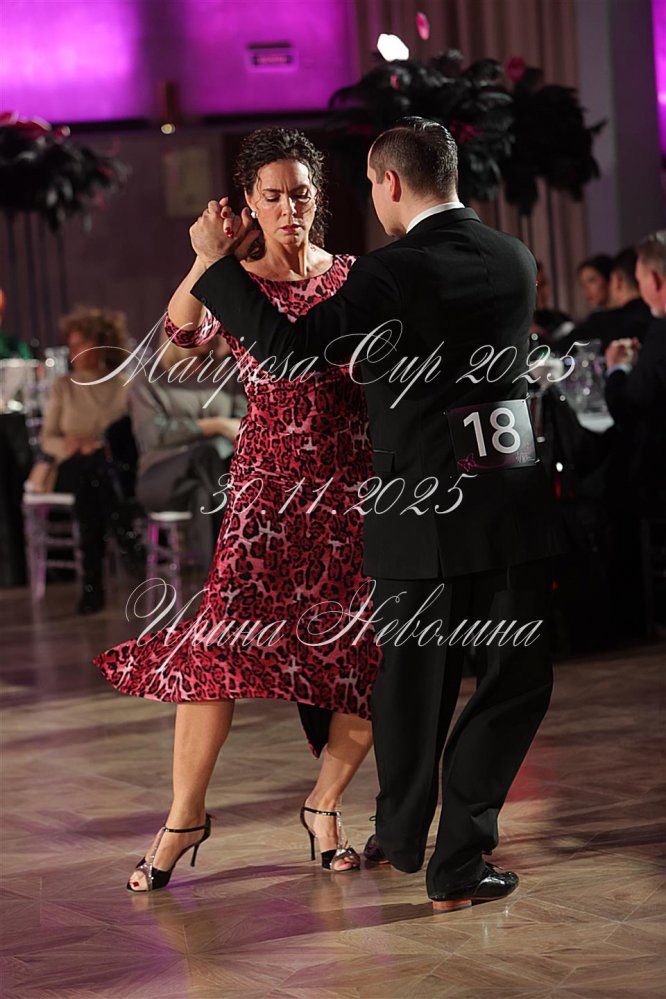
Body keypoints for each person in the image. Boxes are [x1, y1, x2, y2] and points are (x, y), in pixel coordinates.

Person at [189, 117, 564, 913]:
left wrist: (217, 265)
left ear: (390, 182)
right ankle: (456, 857)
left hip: (417, 511)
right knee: (514, 681)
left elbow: (290, 354)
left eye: (368, 185)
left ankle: (401, 834)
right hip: (509, 502)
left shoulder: (390, 271)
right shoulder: (516, 257)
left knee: (412, 686)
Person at [93, 128, 380, 891]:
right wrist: (205, 258)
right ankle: (184, 816)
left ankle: (325, 806)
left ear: (318, 197)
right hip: (265, 494)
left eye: (301, 193)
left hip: (350, 491)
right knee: (217, 650)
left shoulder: (354, 277)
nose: (290, 208)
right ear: (250, 201)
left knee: (363, 656)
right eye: (273, 195)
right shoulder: (237, 282)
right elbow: (179, 341)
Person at [39, 306, 144, 614]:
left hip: (108, 467)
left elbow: (130, 436)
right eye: (71, 345)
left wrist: (99, 445)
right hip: (69, 464)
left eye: (80, 344)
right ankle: (126, 539)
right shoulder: (64, 386)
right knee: (90, 473)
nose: (74, 352)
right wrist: (71, 445)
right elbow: (48, 438)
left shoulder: (124, 384)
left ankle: (92, 586)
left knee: (95, 476)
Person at [129, 324, 246, 564]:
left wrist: (226, 430)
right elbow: (153, 435)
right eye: (203, 329)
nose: (211, 335)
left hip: (212, 476)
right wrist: (215, 425)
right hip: (161, 477)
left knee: (204, 496)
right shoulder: (149, 379)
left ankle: (220, 579)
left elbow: (244, 426)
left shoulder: (226, 374)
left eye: (213, 329)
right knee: (205, 455)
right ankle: (241, 558)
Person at [568, 248, 652, 353]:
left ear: (614, 280)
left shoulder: (601, 323)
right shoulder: (655, 313)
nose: (586, 289)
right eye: (582, 284)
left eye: (592, 280)